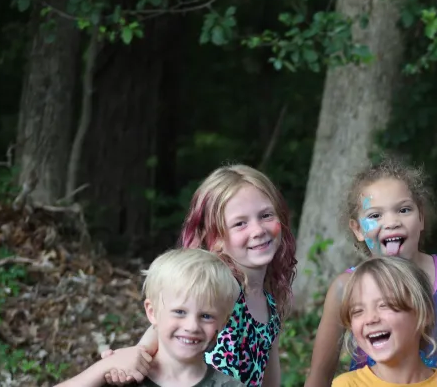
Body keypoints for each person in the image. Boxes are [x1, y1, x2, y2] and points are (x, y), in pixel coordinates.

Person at [305, 156, 437, 387]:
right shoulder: (347, 285)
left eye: (403, 210)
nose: (391, 222)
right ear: (357, 229)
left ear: (421, 217)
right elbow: (320, 374)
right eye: (375, 215)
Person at [103, 164, 298, 386]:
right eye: (240, 223)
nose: (258, 230)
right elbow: (163, 328)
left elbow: (270, 378)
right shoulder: (217, 288)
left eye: (265, 215)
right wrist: (134, 356)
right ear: (215, 238)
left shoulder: (270, 302)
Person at [55, 248, 244, 387]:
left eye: (206, 316)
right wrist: (104, 367)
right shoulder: (122, 377)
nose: (192, 326)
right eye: (179, 312)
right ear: (152, 312)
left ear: (223, 323)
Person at [332, 256, 437, 387]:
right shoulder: (346, 385)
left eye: (385, 305)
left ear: (424, 313)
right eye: (357, 311)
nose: (370, 319)